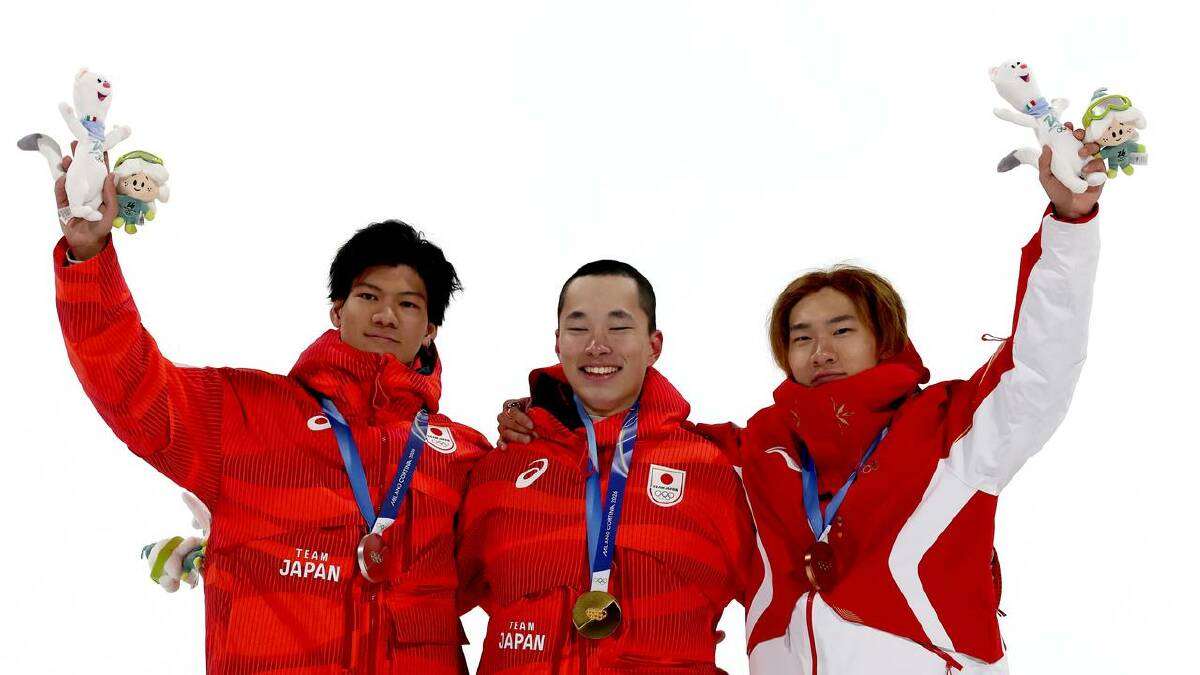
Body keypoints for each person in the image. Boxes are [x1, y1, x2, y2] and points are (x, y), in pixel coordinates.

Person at [497, 138, 1107, 673]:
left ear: (883, 339)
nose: (821, 351)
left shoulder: (952, 430)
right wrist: (550, 415)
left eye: (842, 330)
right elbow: (642, 433)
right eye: (800, 336)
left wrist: (1069, 226)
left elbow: (1039, 367)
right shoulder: (755, 451)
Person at [52, 154, 488, 674]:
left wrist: (549, 427)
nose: (385, 314)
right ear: (336, 310)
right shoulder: (245, 414)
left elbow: (530, 564)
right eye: (368, 295)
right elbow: (131, 387)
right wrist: (89, 254)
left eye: (409, 304)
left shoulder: (464, 455)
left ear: (431, 328)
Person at [457, 260, 759, 673]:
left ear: (654, 345)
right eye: (579, 328)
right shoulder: (500, 468)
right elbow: (430, 594)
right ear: (558, 341)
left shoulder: (712, 471)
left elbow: (787, 605)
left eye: (618, 327)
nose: (597, 345)